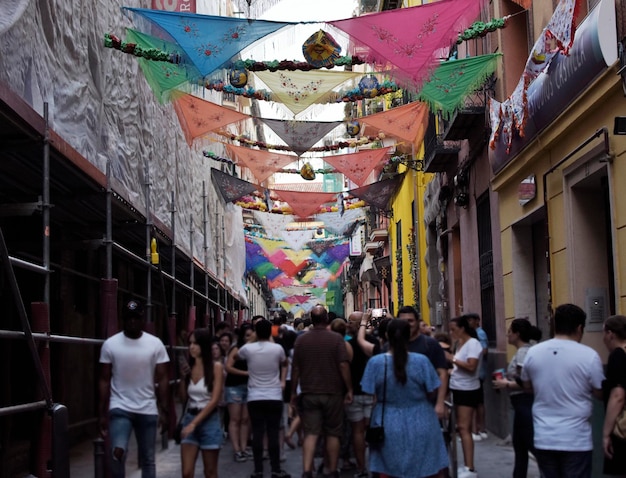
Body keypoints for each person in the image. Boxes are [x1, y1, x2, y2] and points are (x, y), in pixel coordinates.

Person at [521, 303, 604, 478]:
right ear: (580, 328)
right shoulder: (589, 356)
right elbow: (599, 391)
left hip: (544, 436)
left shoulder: (533, 353)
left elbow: (526, 385)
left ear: (554, 325)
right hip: (576, 439)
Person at [361, 319, 448, 477]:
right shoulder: (421, 361)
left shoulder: (375, 363)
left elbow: (369, 392)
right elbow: (432, 390)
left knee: (389, 469)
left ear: (386, 336)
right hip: (422, 420)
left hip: (387, 421)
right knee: (424, 467)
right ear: (410, 336)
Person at [98, 300, 169, 478]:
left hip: (147, 408)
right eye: (128, 318)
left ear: (142, 319)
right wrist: (101, 412)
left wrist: (165, 410)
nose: (132, 322)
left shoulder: (155, 344)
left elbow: (163, 378)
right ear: (123, 319)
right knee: (117, 453)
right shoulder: (111, 344)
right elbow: (104, 379)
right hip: (120, 407)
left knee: (147, 459)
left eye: (135, 318)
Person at [290, 305, 353, 478]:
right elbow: (343, 365)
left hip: (310, 392)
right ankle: (332, 470)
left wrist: (294, 393)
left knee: (311, 433)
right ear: (326, 319)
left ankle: (307, 470)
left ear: (311, 319)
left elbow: (295, 368)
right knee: (333, 432)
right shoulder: (336, 339)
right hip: (333, 392)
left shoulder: (301, 340)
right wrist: (348, 389)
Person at [237, 318, 291, 478]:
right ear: (270, 332)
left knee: (258, 433)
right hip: (274, 395)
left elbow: (237, 356)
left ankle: (258, 469)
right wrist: (282, 381)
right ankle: (275, 469)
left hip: (255, 396)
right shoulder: (277, 349)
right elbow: (285, 363)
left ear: (255, 332)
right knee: (273, 433)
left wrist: (253, 338)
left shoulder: (248, 349)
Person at [492, 318, 540, 478]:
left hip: (524, 402)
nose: (507, 335)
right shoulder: (525, 351)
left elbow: (524, 382)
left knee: (530, 444)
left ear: (517, 334)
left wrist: (505, 383)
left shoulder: (523, 353)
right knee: (520, 447)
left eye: (510, 332)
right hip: (520, 403)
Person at [178, 328, 224, 478]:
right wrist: (182, 378)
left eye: (196, 344)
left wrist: (194, 424)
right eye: (190, 343)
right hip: (190, 416)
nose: (191, 347)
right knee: (186, 472)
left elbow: (215, 400)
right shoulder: (189, 368)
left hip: (209, 421)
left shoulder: (216, 367)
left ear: (204, 346)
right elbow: (184, 398)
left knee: (210, 472)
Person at [445, 315, 482, 478]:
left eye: (453, 329)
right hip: (459, 388)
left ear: (462, 328)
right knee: (460, 427)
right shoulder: (460, 344)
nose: (451, 333)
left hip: (467, 390)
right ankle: (467, 465)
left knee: (464, 428)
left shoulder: (473, 344)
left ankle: (470, 467)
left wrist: (451, 359)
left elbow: (471, 366)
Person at [346, 311, 377, 478]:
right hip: (372, 394)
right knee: (372, 431)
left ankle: (362, 468)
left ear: (358, 324)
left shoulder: (348, 345)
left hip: (356, 393)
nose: (348, 324)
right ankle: (375, 466)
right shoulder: (374, 343)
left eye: (350, 322)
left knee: (357, 431)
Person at [225, 323, 254, 462]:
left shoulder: (254, 349)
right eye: (247, 335)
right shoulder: (237, 349)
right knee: (235, 419)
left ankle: (243, 448)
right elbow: (228, 366)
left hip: (248, 387)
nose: (250, 338)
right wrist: (245, 373)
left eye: (252, 335)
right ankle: (237, 450)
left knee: (245, 419)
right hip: (234, 386)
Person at [601, 315, 626, 476]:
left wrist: (606, 433)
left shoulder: (618, 355)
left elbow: (618, 396)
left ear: (611, 334)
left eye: (604, 333)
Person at [466, 313, 488, 441]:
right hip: (477, 373)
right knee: (478, 402)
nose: (469, 322)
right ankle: (479, 429)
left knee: (477, 402)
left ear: (477, 321)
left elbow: (484, 350)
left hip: (478, 373)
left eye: (470, 320)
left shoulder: (479, 333)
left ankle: (478, 429)